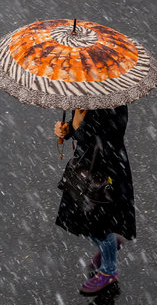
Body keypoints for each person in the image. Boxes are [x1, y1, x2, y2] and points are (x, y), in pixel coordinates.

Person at [54, 107, 136, 294]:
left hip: (103, 174)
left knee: (98, 226)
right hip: (85, 169)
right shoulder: (84, 94)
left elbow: (105, 140)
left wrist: (77, 125)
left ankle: (109, 271)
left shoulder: (112, 103)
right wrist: (66, 131)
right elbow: (79, 133)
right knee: (81, 221)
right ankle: (110, 245)